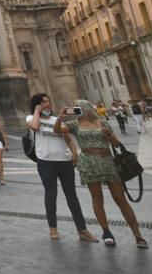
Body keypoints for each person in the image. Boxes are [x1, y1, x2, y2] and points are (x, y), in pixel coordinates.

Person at [56, 100, 148, 248]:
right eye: (74, 108)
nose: (74, 110)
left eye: (77, 107)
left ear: (85, 108)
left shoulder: (102, 123)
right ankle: (106, 232)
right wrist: (60, 117)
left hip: (107, 161)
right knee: (97, 198)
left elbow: (117, 144)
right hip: (89, 163)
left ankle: (138, 235)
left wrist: (110, 136)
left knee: (120, 199)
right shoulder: (74, 124)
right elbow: (57, 131)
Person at [26, 93, 98, 242]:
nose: (47, 104)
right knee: (51, 194)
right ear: (37, 105)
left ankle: (82, 230)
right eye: (43, 102)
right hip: (46, 161)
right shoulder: (32, 118)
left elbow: (67, 138)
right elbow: (34, 126)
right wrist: (37, 111)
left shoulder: (56, 120)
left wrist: (74, 153)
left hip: (64, 161)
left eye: (48, 101)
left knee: (72, 196)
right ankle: (53, 228)